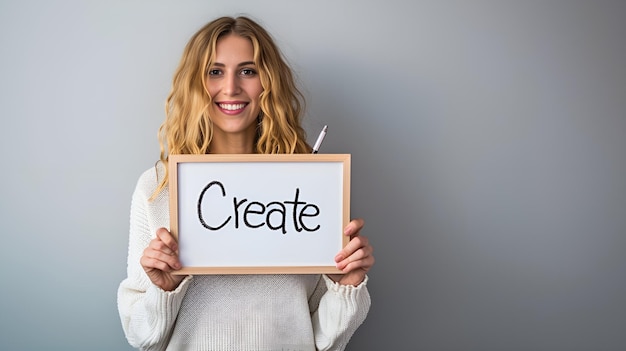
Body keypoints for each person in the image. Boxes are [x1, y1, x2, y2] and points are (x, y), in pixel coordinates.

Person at [117, 15, 375, 351]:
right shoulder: (157, 187)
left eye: (248, 71)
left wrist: (347, 285)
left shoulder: (311, 185)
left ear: (268, 82)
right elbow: (142, 338)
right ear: (195, 84)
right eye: (215, 71)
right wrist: (164, 291)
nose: (231, 87)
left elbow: (327, 341)